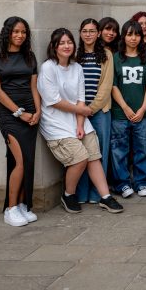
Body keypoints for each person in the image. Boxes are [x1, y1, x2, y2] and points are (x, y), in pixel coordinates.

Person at [37, 29, 123, 214]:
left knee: (94, 156)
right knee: (79, 158)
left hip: (78, 119)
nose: (67, 46)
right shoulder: (48, 67)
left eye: (69, 42)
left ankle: (105, 197)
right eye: (62, 43)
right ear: (54, 47)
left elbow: (80, 97)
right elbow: (53, 101)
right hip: (55, 123)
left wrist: (79, 124)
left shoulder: (76, 67)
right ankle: (69, 195)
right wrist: (81, 111)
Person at [0, 17, 41, 226]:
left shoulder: (30, 57)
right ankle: (10, 209)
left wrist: (38, 111)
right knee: (20, 161)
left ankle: (19, 204)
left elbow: (34, 88)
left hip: (30, 114)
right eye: (16, 31)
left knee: (26, 160)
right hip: (10, 116)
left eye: (24, 32)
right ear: (7, 33)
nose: (20, 35)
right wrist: (19, 113)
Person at [111, 20, 146, 198]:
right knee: (119, 149)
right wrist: (125, 107)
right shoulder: (116, 58)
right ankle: (122, 184)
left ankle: (142, 182)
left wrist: (143, 108)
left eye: (137, 34)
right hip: (120, 113)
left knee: (144, 148)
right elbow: (113, 86)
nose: (133, 38)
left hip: (142, 114)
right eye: (129, 34)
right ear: (124, 36)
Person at [75, 18, 115, 203]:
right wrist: (81, 110)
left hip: (99, 112)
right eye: (85, 31)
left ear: (98, 33)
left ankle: (97, 192)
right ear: (80, 33)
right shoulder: (75, 55)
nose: (88, 34)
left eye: (92, 31)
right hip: (78, 112)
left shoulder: (106, 54)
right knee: (81, 153)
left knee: (100, 152)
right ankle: (81, 193)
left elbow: (106, 86)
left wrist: (90, 109)